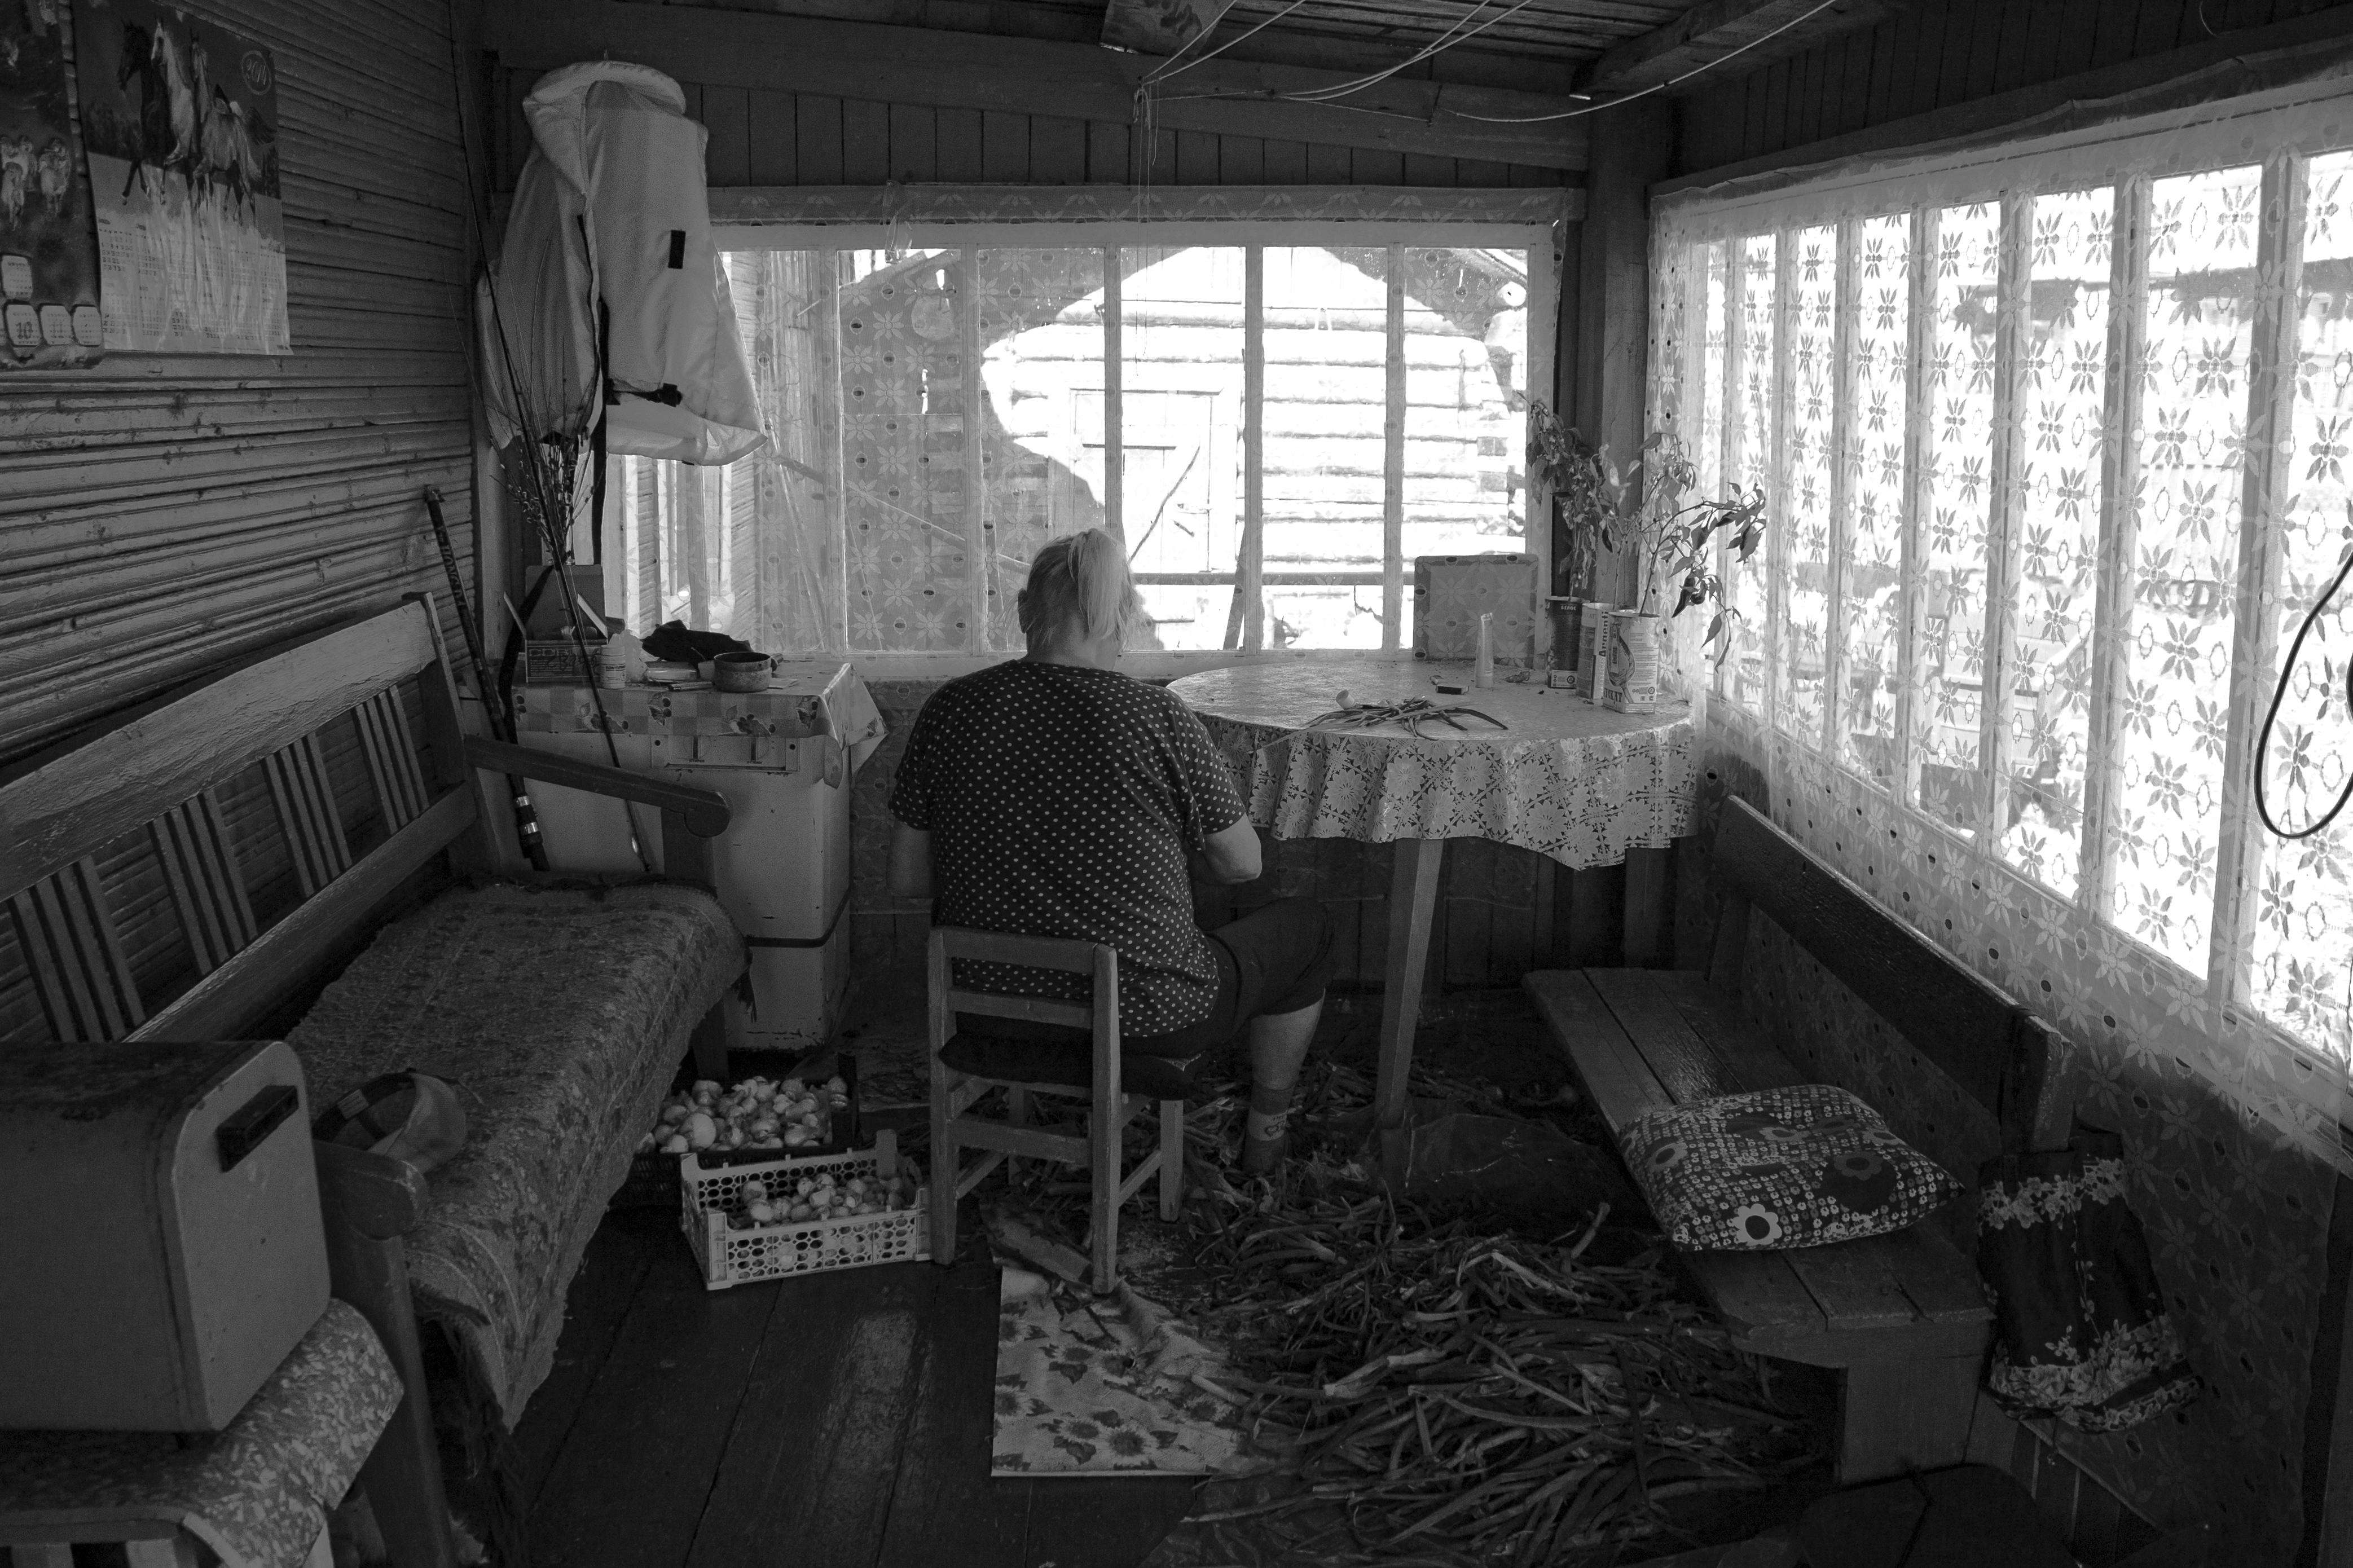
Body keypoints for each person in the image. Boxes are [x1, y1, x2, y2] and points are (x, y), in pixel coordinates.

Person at [887, 528, 1332, 1174]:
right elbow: (1243, 865)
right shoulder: (1155, 715)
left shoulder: (950, 708)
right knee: (1309, 930)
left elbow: (905, 877)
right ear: (1120, 620)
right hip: (1143, 1018)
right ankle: (1268, 1132)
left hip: (982, 1011)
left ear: (1022, 613)